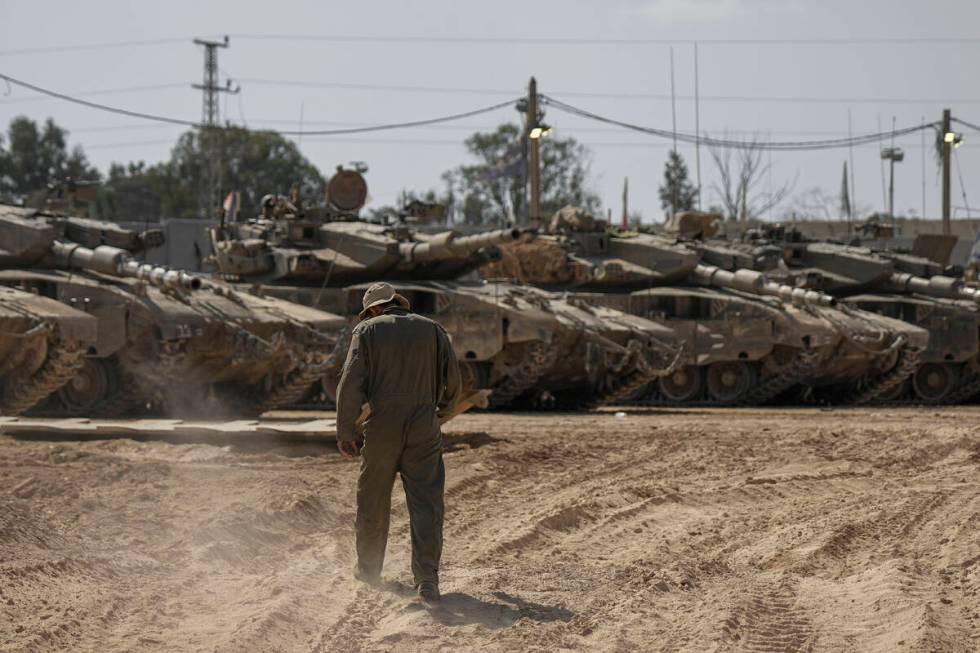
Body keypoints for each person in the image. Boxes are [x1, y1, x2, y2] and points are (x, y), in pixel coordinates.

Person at [335, 281, 462, 602]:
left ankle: (368, 570)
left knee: (373, 499)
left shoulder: (367, 331)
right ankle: (427, 580)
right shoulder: (433, 330)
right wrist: (439, 414)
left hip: (383, 427)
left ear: (375, 308)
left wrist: (346, 431)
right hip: (424, 424)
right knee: (426, 502)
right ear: (397, 303)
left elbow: (349, 384)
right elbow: (454, 383)